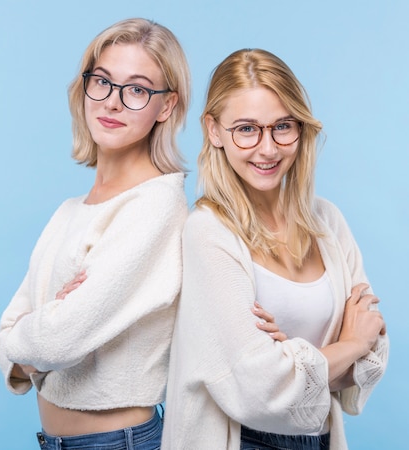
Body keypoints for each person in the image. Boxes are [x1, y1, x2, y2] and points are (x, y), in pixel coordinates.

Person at [161, 48, 389, 450]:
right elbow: (256, 388)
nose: (268, 149)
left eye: (282, 126)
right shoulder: (208, 233)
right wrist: (348, 345)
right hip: (241, 440)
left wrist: (294, 366)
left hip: (320, 439)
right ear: (213, 130)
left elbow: (377, 348)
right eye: (246, 129)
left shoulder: (327, 222)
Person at [0, 18, 191, 449]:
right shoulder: (70, 212)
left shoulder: (155, 207)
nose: (113, 103)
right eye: (101, 81)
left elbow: (56, 340)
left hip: (117, 442)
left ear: (166, 106)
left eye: (137, 89)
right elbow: (15, 327)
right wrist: (30, 340)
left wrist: (26, 340)